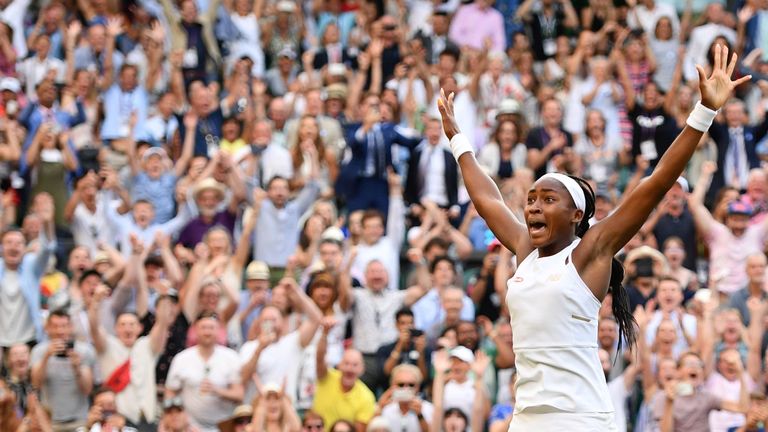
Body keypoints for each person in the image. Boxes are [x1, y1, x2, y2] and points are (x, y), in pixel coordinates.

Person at [435, 44, 749, 429]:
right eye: (531, 199)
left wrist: (704, 111)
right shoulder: (523, 249)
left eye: (547, 199)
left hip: (580, 418)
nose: (533, 206)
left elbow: (655, 183)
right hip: (528, 417)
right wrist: (457, 139)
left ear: (576, 214)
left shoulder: (590, 252)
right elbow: (487, 199)